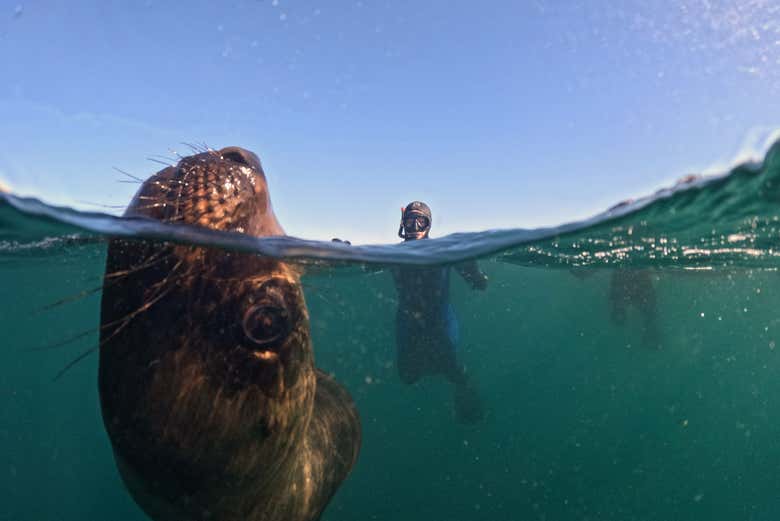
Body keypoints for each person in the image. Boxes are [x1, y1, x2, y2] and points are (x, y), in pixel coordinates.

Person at [392, 201, 488, 423]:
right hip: (408, 323)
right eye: (410, 220)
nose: (415, 226)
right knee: (407, 377)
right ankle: (450, 375)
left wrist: (475, 274)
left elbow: (475, 277)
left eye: (421, 221)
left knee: (451, 367)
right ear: (402, 224)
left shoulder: (443, 252)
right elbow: (362, 264)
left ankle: (465, 390)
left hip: (441, 322)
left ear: (429, 226)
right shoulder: (394, 254)